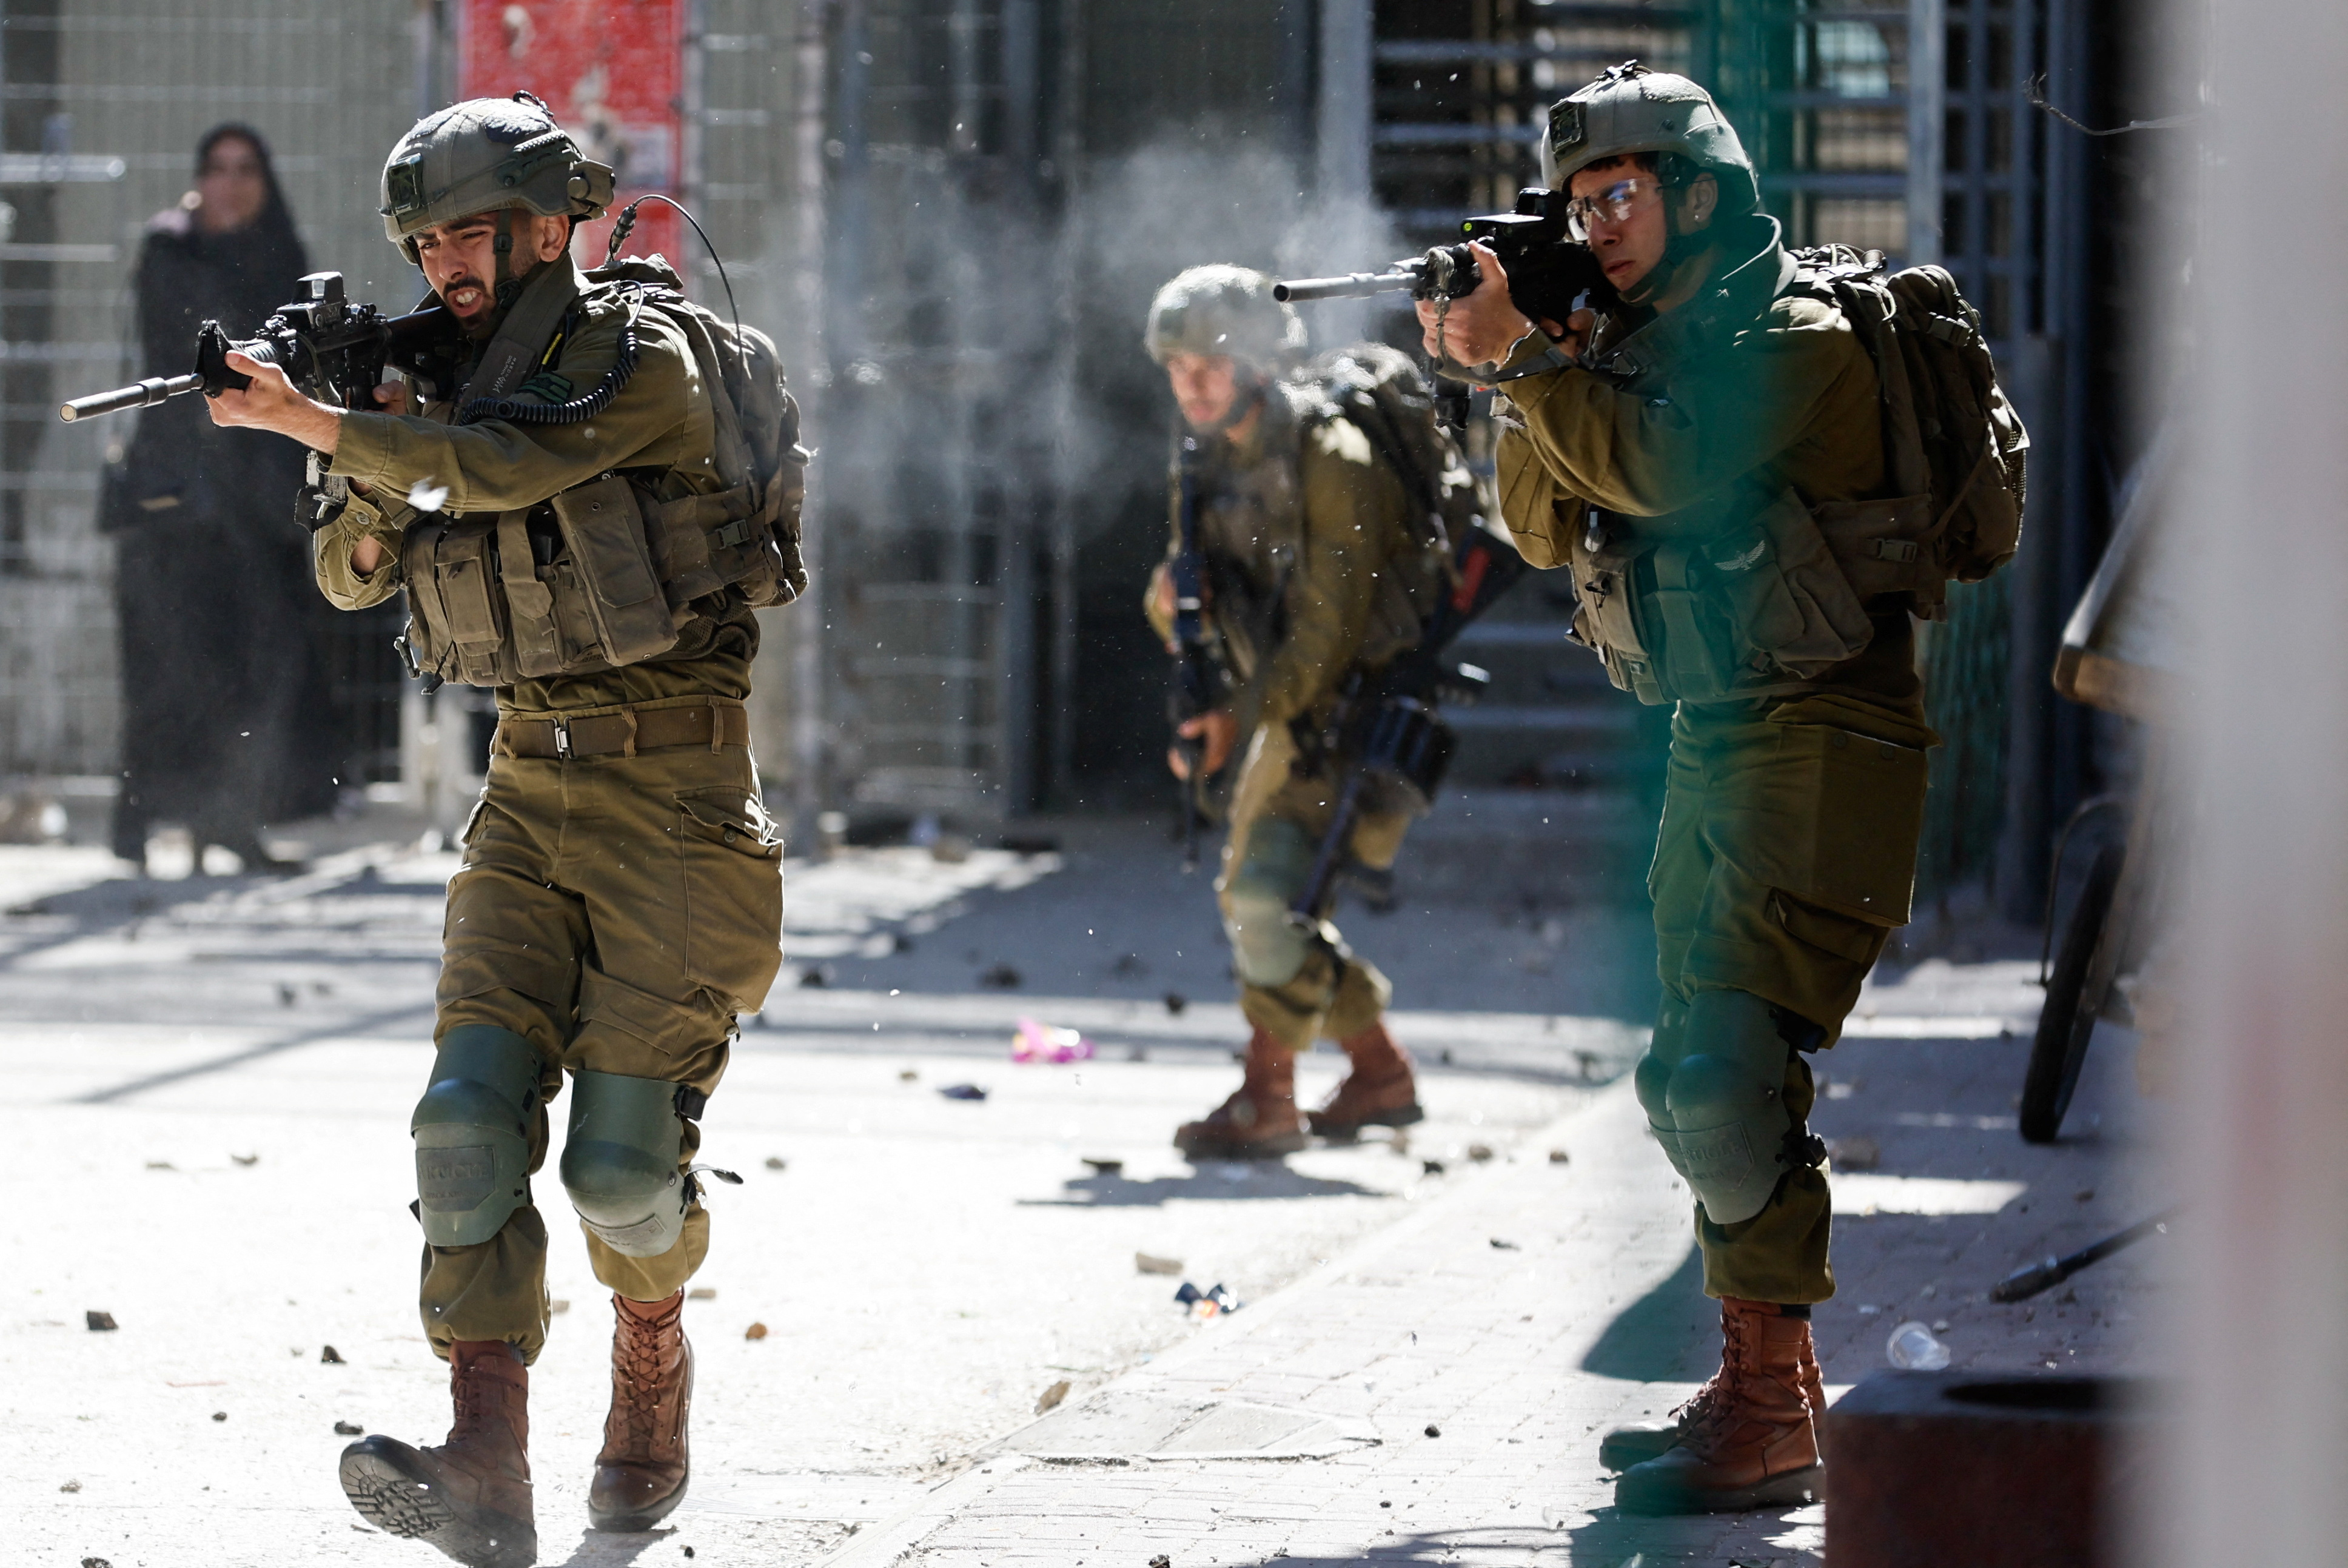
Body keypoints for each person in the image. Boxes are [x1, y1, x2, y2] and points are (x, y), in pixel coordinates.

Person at [205, 93, 802, 1566]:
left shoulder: (640, 359)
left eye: (465, 231)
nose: (441, 262)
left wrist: (337, 421)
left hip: (676, 802)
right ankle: (486, 1455)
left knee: (617, 1168)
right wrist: (356, 445)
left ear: (550, 226)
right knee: (466, 1125)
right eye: (422, 239)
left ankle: (651, 1347)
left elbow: (515, 469)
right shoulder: (431, 381)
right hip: (527, 786)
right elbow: (354, 578)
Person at [1422, 62, 1940, 1513]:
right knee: (1692, 1076)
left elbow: (1665, 469)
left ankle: (1770, 1405)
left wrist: (1533, 359)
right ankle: (1768, 1385)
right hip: (1714, 735)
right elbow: (1539, 526)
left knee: (1722, 1072)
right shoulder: (1620, 348)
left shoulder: (1789, 337)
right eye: (1577, 207)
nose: (1597, 229)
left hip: (1826, 732)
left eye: (1622, 197)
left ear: (1701, 194)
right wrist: (1517, 365)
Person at [1142, 265, 1449, 1160]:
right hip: (1274, 705)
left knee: (1265, 897)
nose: (1193, 384)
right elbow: (1187, 601)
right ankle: (1378, 1072)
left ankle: (1268, 1097)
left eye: (1211, 363)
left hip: (1350, 704)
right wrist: (1187, 653)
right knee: (1274, 896)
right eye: (1177, 366)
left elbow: (1330, 628)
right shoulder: (1204, 457)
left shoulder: (1335, 457)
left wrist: (1242, 717)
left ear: (1257, 362)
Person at [102, 124, 335, 871]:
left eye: (246, 169)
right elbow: (204, 349)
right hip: (179, 498)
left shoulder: (285, 251)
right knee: (168, 666)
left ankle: (230, 821)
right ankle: (138, 823)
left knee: (255, 666)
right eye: (217, 168)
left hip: (260, 501)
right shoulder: (170, 247)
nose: (231, 183)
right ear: (198, 177)